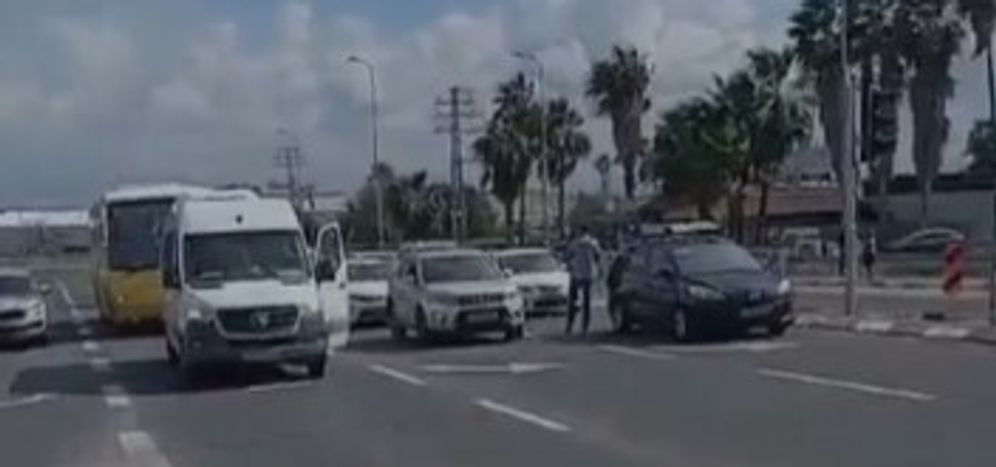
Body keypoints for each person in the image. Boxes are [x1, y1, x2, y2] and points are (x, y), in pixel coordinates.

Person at [564, 225, 602, 335]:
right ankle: (585, 327)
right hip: (589, 275)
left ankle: (570, 325)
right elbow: (598, 256)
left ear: (580, 231)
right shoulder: (593, 243)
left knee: (572, 301)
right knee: (587, 302)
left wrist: (569, 265)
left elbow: (567, 256)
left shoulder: (574, 243)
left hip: (576, 274)